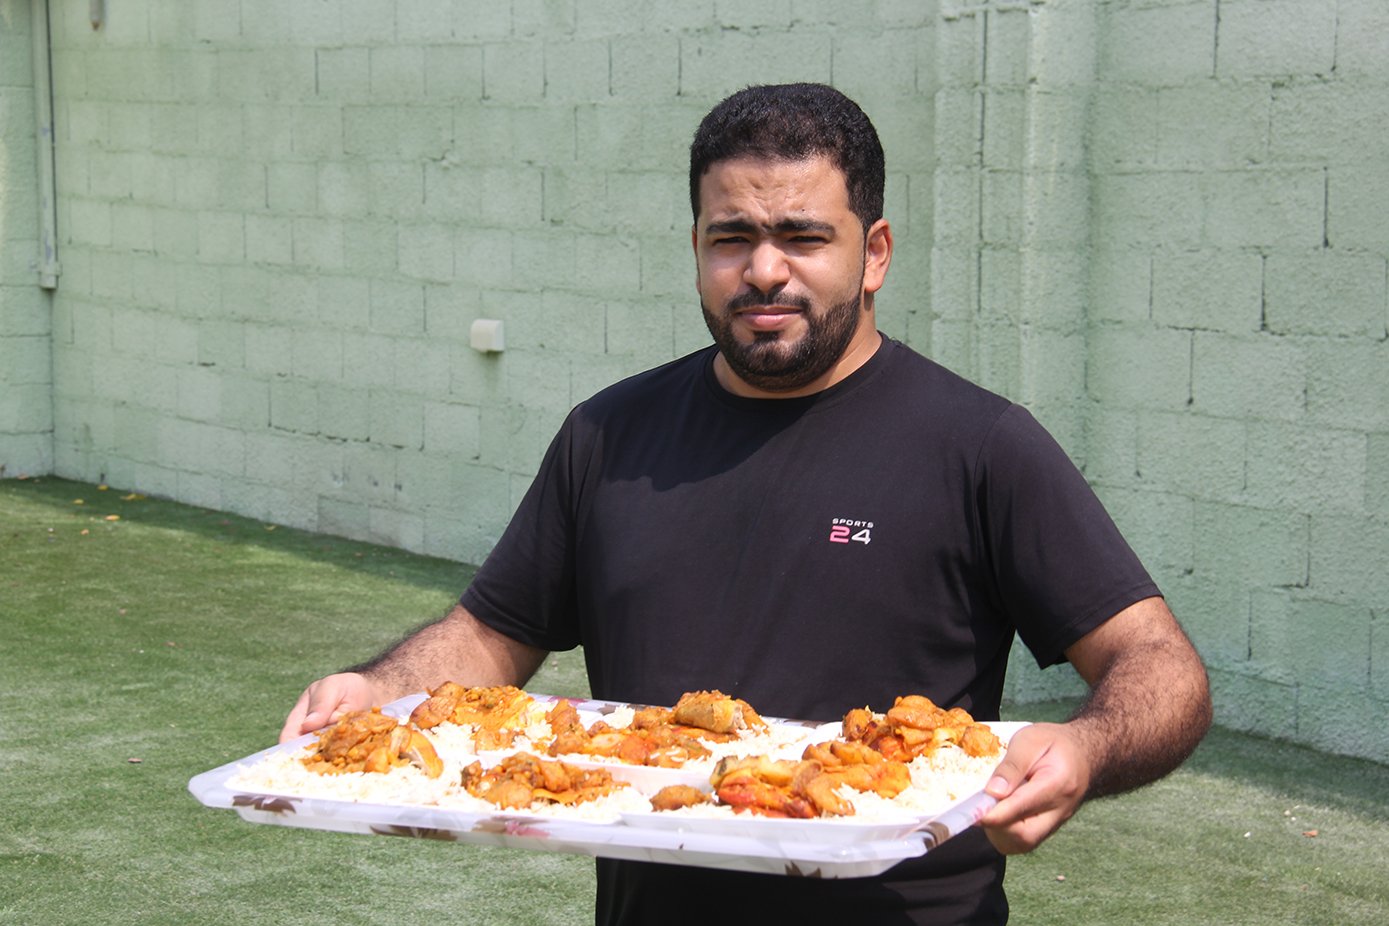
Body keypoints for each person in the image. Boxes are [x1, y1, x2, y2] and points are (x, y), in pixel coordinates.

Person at [280, 83, 1212, 924]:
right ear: (696, 250)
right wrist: (381, 691)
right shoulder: (609, 434)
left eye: (803, 237)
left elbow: (1159, 664)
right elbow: (491, 634)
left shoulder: (978, 445)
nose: (764, 270)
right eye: (731, 238)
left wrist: (1084, 748)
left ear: (874, 254)